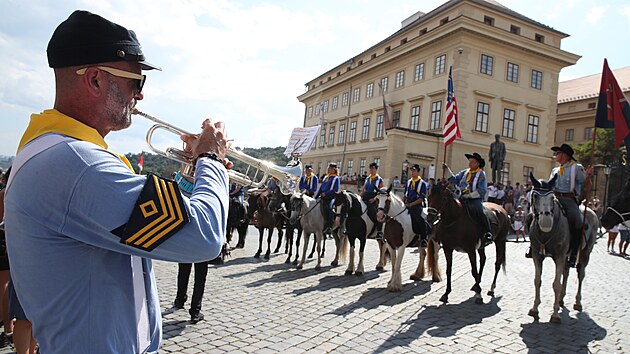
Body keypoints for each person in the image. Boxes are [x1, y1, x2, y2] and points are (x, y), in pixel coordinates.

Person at [3, 11, 229, 353]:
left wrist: (192, 172)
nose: (139, 97)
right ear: (94, 80)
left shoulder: (62, 153)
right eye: (135, 83)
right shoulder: (76, 164)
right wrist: (211, 160)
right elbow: (204, 237)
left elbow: (155, 224)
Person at [527, 144, 586, 267]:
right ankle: (532, 246)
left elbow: (582, 181)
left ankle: (573, 253)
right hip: (554, 198)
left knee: (577, 221)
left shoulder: (577, 168)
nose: (555, 156)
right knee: (532, 215)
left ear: (565, 155)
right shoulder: (555, 170)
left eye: (557, 153)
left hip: (569, 199)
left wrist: (588, 175)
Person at [443, 152, 493, 244]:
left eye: (472, 162)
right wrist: (447, 170)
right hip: (462, 197)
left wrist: (469, 195)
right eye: (470, 161)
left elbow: (482, 190)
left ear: (478, 164)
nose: (470, 163)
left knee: (480, 211)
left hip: (475, 199)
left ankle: (487, 232)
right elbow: (455, 179)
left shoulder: (481, 174)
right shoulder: (465, 172)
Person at [0, 168, 14, 349]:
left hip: (4, 239)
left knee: (4, 284)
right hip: (7, 240)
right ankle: (8, 328)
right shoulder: (9, 194)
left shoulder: (3, 193)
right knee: (6, 285)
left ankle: (7, 326)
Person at [403, 164, 429, 247]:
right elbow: (405, 194)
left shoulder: (423, 184)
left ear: (418, 171)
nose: (412, 172)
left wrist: (411, 204)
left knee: (420, 218)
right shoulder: (408, 182)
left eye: (414, 170)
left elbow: (421, 198)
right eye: (411, 170)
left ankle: (423, 238)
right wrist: (403, 203)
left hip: (417, 204)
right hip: (408, 203)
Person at [314, 163, 340, 234]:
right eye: (329, 168)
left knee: (330, 208)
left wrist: (326, 193)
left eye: (332, 169)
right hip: (323, 196)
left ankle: (329, 226)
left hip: (331, 197)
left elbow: (335, 189)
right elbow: (321, 188)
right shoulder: (326, 177)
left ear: (335, 170)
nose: (330, 170)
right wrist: (316, 197)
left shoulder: (336, 178)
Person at [360, 162, 385, 239]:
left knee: (374, 213)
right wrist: (360, 196)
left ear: (376, 169)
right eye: (370, 168)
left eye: (373, 168)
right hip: (365, 197)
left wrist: (374, 199)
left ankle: (379, 231)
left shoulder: (379, 179)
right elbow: (364, 189)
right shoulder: (367, 178)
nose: (371, 170)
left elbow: (381, 192)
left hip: (374, 198)